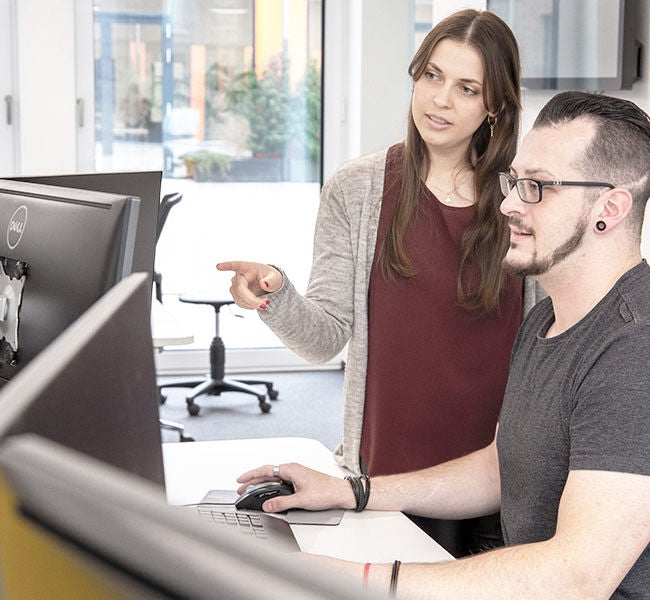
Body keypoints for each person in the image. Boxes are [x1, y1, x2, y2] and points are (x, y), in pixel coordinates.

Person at [236, 91, 650, 599]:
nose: (508, 204)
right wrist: (352, 491)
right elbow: (503, 468)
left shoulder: (635, 349)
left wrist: (361, 580)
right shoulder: (546, 319)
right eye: (515, 182)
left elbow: (580, 576)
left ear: (611, 206)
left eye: (537, 188)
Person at [218, 9, 544, 558]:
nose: (440, 100)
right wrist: (276, 293)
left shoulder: (526, 197)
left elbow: (553, 340)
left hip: (498, 484)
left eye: (466, 88)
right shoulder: (358, 189)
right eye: (432, 76)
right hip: (385, 481)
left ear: (495, 106)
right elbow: (325, 337)